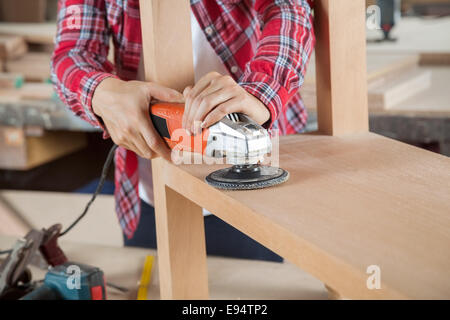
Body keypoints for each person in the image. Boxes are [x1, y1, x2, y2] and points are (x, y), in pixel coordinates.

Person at [51, 0, 315, 262]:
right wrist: (100, 93)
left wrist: (261, 91)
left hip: (257, 191)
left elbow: (287, 7)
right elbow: (72, 53)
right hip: (149, 187)